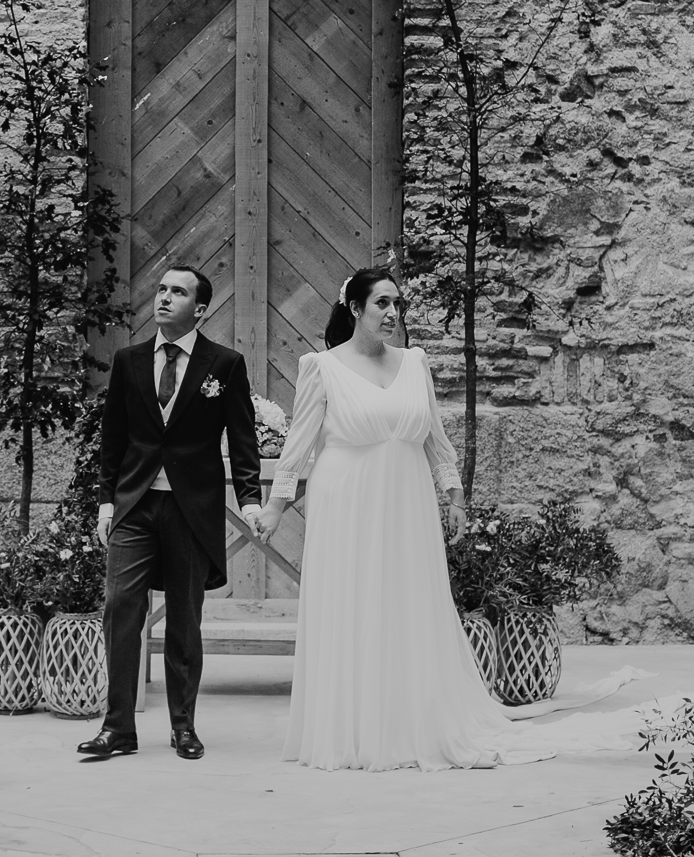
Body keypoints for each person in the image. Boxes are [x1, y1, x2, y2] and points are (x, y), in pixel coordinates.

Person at [252, 266, 641, 770]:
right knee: (354, 603)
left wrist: (454, 497)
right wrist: (275, 508)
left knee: (409, 604)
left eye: (398, 304)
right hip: (346, 501)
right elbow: (298, 448)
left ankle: (412, 716)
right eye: (382, 304)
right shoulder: (320, 367)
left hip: (408, 501)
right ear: (354, 309)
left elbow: (435, 439)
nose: (393, 313)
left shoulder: (414, 363)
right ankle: (354, 726)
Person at [78, 265, 263, 762]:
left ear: (199, 308)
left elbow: (242, 438)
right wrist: (104, 502)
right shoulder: (129, 360)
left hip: (191, 508)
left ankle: (183, 726)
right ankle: (117, 727)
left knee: (185, 618)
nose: (163, 297)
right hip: (135, 504)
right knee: (121, 609)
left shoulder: (224, 364)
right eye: (160, 289)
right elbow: (112, 439)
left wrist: (249, 499)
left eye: (177, 292)